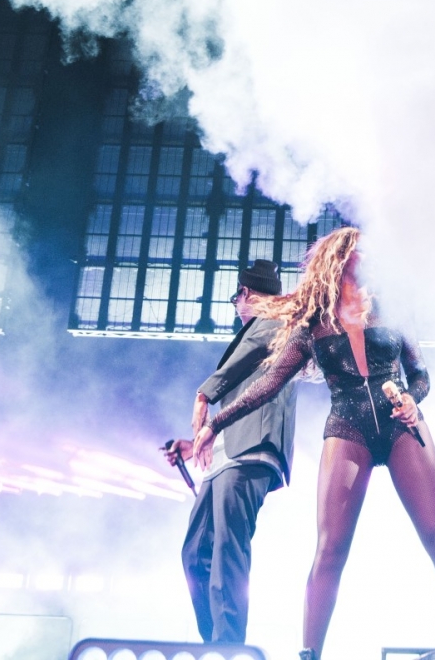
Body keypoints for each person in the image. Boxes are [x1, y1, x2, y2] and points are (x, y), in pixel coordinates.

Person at [193, 227, 435, 660]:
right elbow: (269, 384)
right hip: (348, 428)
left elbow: (420, 375)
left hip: (403, 426)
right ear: (343, 256)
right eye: (362, 247)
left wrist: (411, 397)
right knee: (330, 549)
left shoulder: (395, 311)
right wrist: (214, 424)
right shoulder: (314, 324)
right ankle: (310, 653)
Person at [166, 258, 299, 643]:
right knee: (196, 553)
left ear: (247, 294)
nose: (235, 308)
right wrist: (193, 446)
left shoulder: (276, 322)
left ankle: (228, 646)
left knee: (228, 548)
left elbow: (242, 365)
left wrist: (204, 392)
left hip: (252, 451)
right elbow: (237, 401)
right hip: (227, 451)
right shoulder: (256, 332)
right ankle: (215, 643)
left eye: (235, 298)